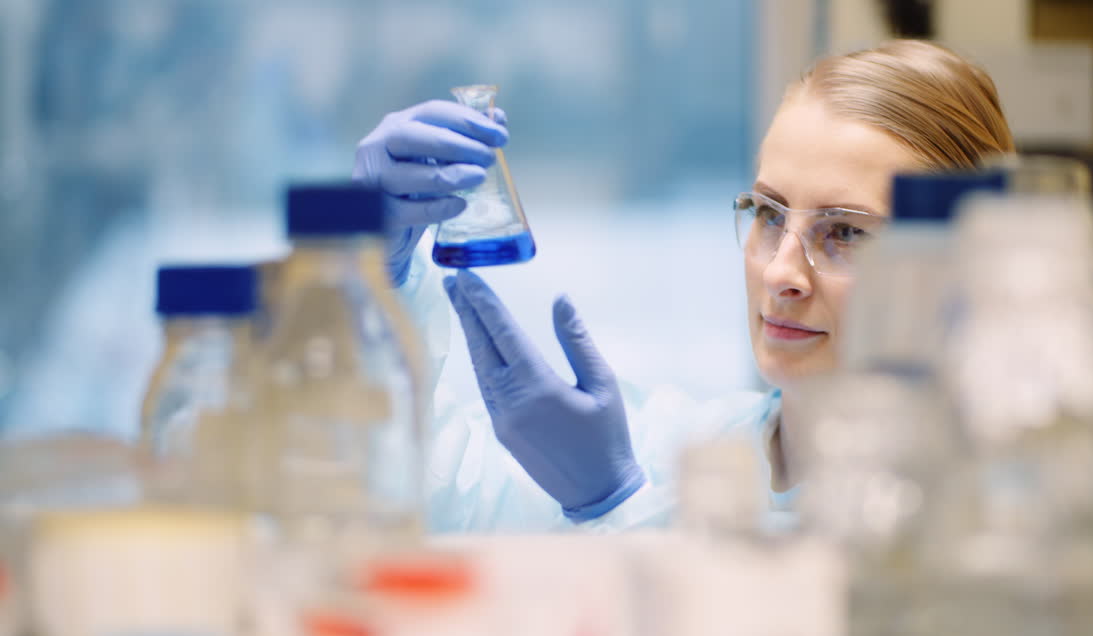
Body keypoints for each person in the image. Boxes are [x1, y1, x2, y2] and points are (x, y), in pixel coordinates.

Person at [353, 39, 1016, 532]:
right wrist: (368, 279)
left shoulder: (984, 518)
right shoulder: (690, 448)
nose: (781, 272)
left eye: (845, 233)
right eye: (768, 214)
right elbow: (418, 502)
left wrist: (612, 507)